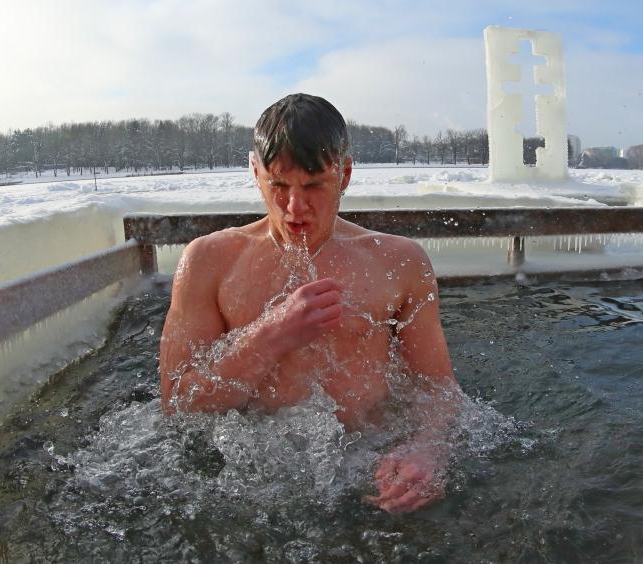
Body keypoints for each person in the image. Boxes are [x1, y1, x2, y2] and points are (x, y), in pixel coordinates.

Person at [159, 93, 459, 514]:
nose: (295, 208)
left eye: (314, 185)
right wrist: (269, 335)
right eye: (278, 185)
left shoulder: (399, 262)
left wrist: (429, 450)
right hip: (251, 488)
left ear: (345, 174)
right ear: (254, 171)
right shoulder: (209, 262)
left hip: (372, 472)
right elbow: (178, 404)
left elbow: (439, 390)